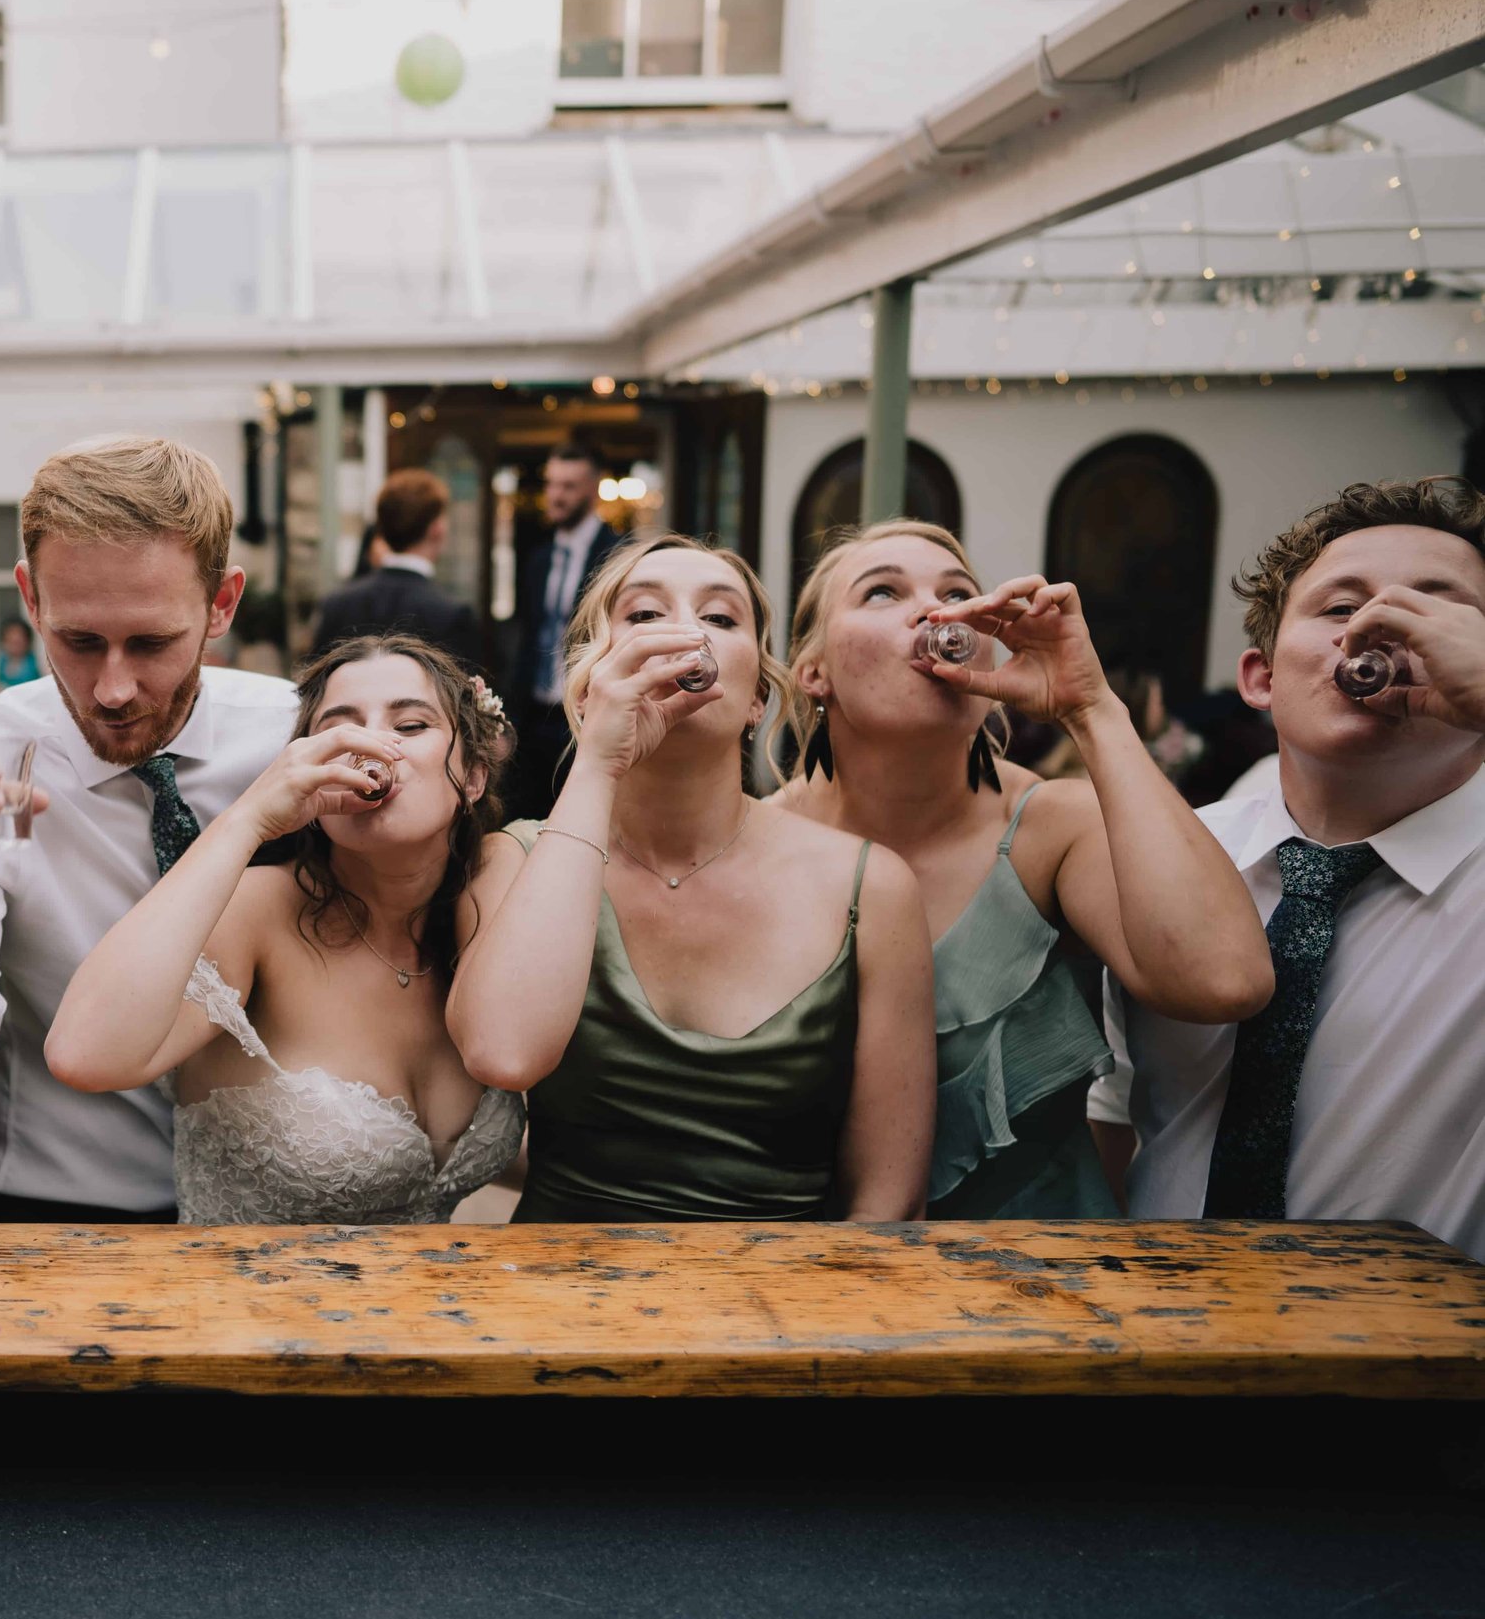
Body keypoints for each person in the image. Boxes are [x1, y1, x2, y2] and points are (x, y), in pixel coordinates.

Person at [771, 521, 1271, 1219]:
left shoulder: (1052, 828)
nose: (936, 614)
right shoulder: (759, 841)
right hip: (800, 1282)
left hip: (1047, 1291)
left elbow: (1225, 979)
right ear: (812, 668)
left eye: (958, 594)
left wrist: (1091, 708)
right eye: (883, 591)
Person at [0, 436, 296, 1222]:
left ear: (222, 604)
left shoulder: (287, 734)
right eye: (79, 641)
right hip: (51, 1214)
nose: (114, 687)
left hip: (274, 1214)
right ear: (31, 599)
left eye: (153, 643)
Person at [450, 533, 934, 1223]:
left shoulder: (873, 886)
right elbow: (504, 1051)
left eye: (720, 617)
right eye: (645, 615)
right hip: (555, 1301)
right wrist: (599, 763)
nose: (682, 633)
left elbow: (889, 1199)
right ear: (590, 682)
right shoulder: (516, 860)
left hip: (788, 1308)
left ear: (758, 698)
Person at [1094, 477, 1485, 1258]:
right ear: (1261, 679)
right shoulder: (1163, 856)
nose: (1381, 628)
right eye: (1342, 608)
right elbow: (1108, 1118)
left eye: (1439, 608)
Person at [46, 635, 521, 1223]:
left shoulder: (488, 910)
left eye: (411, 725)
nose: (372, 745)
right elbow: (84, 1054)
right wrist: (250, 817)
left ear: (473, 776)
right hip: (242, 1305)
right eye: (339, 728)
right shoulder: (254, 913)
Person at [504, 443, 620, 819]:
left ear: (592, 488)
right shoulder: (538, 557)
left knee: (582, 815)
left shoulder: (618, 554)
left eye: (568, 486)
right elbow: (529, 635)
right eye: (552, 484)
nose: (555, 495)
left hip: (584, 715)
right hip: (534, 714)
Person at [310, 469, 489, 677]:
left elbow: (317, 691)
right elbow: (463, 703)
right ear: (437, 529)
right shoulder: (452, 615)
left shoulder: (336, 605)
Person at [0, 616, 42, 696]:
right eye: (11, 641)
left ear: (27, 641)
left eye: (19, 642)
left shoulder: (39, 661)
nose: (15, 645)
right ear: (3, 640)